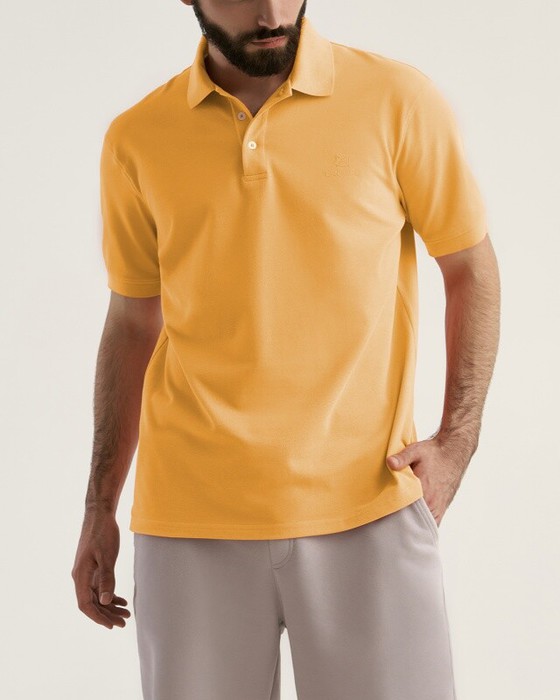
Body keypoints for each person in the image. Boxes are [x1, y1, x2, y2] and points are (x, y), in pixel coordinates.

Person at [71, 1, 501, 698]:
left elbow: (470, 267)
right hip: (189, 521)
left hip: (369, 505)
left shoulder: (396, 100)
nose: (271, 11)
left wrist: (457, 441)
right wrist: (99, 507)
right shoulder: (137, 138)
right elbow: (131, 323)